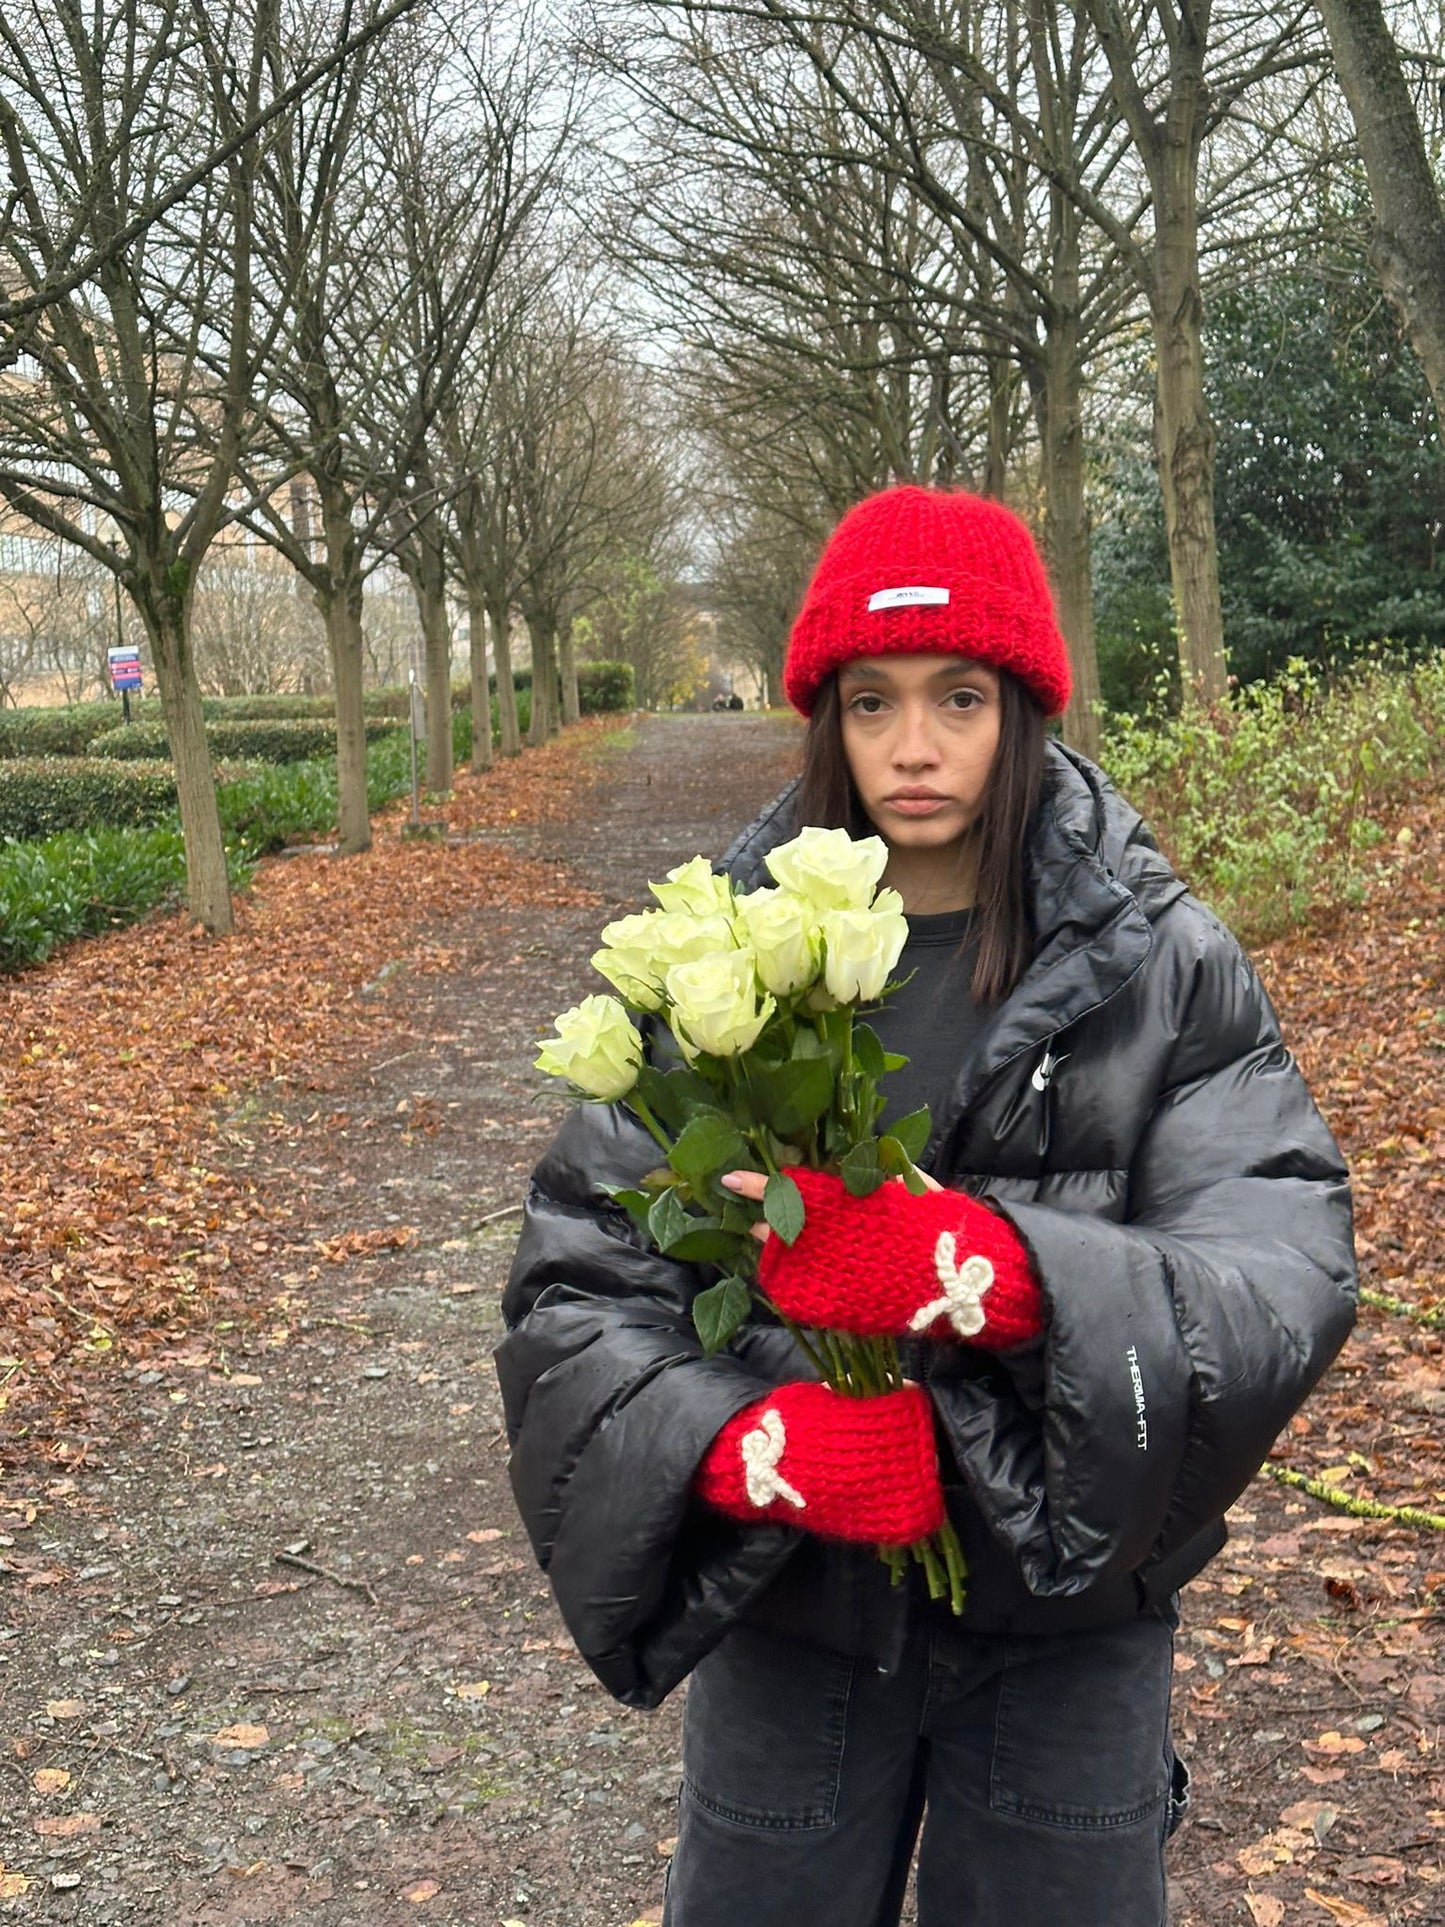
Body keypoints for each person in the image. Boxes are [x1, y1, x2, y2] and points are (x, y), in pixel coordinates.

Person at [496, 485, 1357, 1927]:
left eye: (958, 697)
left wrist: (1005, 1275)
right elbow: (577, 1290)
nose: (911, 745)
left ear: (1018, 708)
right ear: (823, 719)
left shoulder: (1159, 960)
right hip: (795, 1619)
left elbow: (1278, 1270)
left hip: (1064, 1628)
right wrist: (750, 1448)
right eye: (868, 699)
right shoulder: (712, 964)